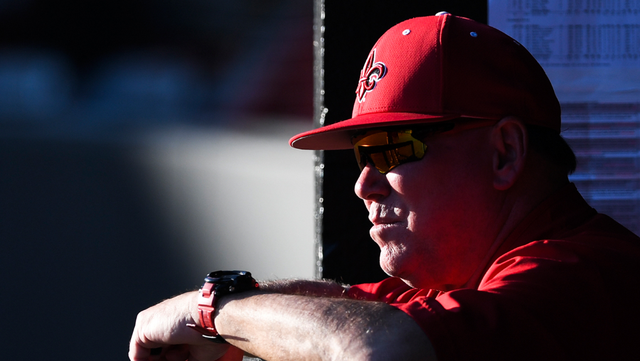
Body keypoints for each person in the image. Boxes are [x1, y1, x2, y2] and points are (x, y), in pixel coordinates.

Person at [129, 13, 640, 361]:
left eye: (393, 149)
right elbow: (350, 304)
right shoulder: (466, 279)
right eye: (361, 156)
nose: (364, 185)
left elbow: (377, 348)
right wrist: (229, 310)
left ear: (504, 153)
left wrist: (216, 313)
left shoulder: (585, 271)